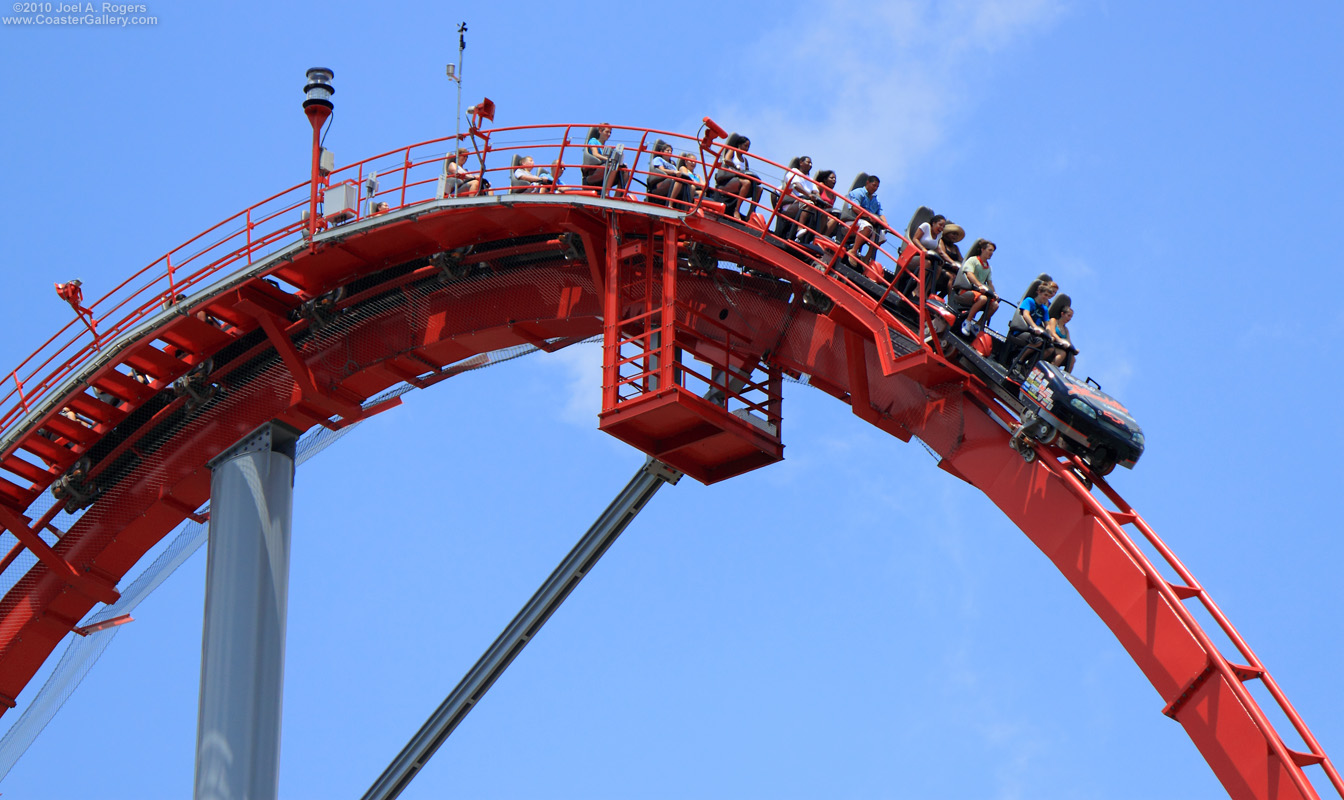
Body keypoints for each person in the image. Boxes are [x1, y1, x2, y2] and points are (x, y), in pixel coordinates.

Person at [1007, 279, 1068, 376]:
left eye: (1048, 296)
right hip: (1022, 331)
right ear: (1039, 292)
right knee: (1038, 341)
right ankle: (1019, 360)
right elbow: (1026, 314)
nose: (1046, 298)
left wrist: (1048, 334)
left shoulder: (1044, 309)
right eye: (1045, 295)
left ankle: (1029, 367)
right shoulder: (1029, 301)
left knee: (1050, 348)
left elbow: (1047, 323)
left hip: (1034, 334)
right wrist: (1034, 327)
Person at [952, 238, 1000, 335]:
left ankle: (978, 325)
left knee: (995, 305)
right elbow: (969, 274)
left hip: (979, 294)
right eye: (990, 250)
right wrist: (979, 285)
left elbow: (990, 282)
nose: (991, 253)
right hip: (966, 291)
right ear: (983, 249)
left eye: (993, 251)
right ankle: (967, 322)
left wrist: (994, 293)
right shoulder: (973, 260)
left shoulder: (988, 268)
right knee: (982, 299)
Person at [712, 133, 762, 221]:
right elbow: (726, 160)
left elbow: (746, 172)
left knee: (758, 189)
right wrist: (736, 168)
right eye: (745, 146)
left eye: (748, 147)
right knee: (746, 183)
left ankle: (750, 213)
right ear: (739, 145)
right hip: (728, 180)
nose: (747, 149)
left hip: (739, 181)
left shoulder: (745, 160)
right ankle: (736, 210)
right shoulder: (733, 152)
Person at [773, 156, 819, 242]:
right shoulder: (793, 172)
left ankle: (813, 238)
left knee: (819, 210)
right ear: (801, 162)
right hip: (791, 204)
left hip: (803, 202)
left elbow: (816, 191)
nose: (810, 165)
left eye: (811, 163)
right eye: (808, 162)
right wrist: (809, 195)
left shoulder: (810, 179)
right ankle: (799, 228)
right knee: (808, 203)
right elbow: (797, 186)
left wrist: (818, 198)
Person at [844, 174, 888, 264]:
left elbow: (880, 212)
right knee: (867, 226)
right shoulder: (858, 192)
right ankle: (853, 251)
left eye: (877, 187)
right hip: (852, 221)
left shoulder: (876, 199)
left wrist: (885, 224)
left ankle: (867, 258)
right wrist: (869, 216)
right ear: (868, 183)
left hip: (866, 223)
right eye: (874, 185)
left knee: (881, 236)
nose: (875, 188)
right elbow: (855, 208)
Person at [582, 125, 630, 195]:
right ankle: (606, 192)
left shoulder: (606, 148)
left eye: (610, 133)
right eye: (607, 132)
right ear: (600, 131)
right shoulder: (593, 141)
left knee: (625, 171)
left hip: (605, 167)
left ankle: (618, 195)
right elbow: (595, 154)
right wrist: (609, 159)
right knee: (612, 165)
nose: (609, 134)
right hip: (594, 170)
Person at [646, 140, 694, 207]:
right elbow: (662, 170)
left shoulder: (673, 165)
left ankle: (686, 207)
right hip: (662, 180)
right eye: (668, 150)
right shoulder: (658, 159)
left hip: (673, 179)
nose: (670, 152)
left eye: (671, 151)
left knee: (688, 185)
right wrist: (674, 172)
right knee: (678, 181)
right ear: (661, 152)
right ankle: (670, 203)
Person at [1047, 295, 1077, 372]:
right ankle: (1050, 371)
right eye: (1068, 316)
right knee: (1062, 353)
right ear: (1062, 314)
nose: (1069, 319)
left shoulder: (1066, 330)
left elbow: (1068, 341)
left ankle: (1066, 376)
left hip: (1059, 346)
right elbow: (1052, 333)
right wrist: (1060, 340)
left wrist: (1074, 349)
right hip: (1051, 344)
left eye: (1071, 317)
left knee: (1072, 359)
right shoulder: (1053, 321)